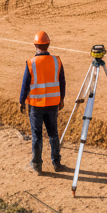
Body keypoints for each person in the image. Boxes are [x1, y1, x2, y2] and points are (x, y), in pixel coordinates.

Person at [19, 30, 66, 173]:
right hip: (52, 104)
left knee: (37, 136)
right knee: (53, 134)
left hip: (36, 105)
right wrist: (61, 99)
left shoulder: (31, 63)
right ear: (48, 44)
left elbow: (25, 85)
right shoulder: (56, 61)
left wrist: (21, 101)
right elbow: (62, 82)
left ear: (35, 45)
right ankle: (56, 163)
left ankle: (37, 165)